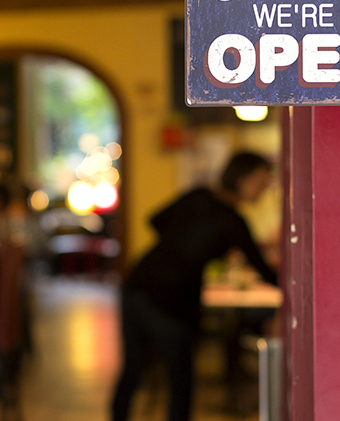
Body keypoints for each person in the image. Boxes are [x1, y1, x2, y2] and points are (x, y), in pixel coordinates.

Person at [111, 151, 279, 421]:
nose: (265, 187)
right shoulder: (232, 222)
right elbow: (264, 270)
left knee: (134, 370)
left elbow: (155, 220)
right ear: (243, 179)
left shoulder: (198, 196)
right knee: (180, 381)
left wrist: (183, 242)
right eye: (261, 180)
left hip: (137, 281)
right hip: (171, 298)